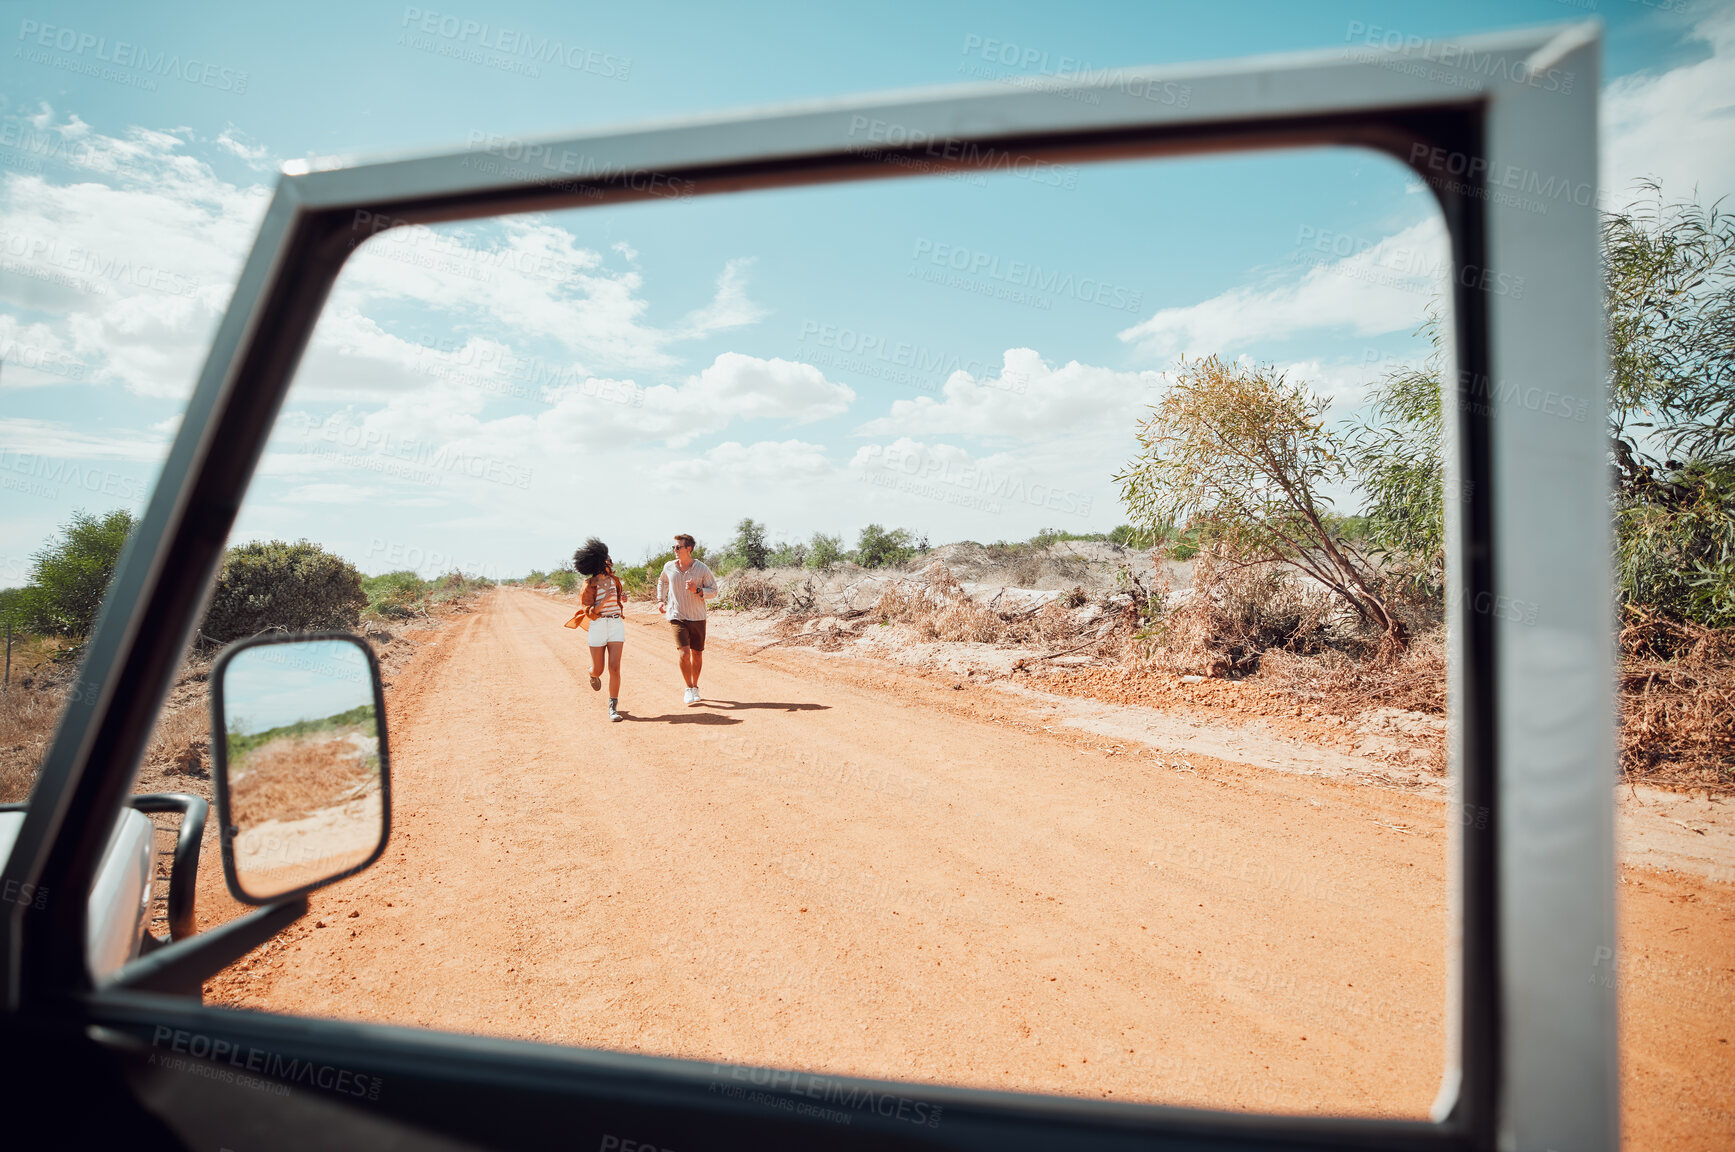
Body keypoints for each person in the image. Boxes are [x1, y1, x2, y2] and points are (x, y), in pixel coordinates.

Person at [655, 533, 717, 705]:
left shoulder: (702, 568)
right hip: (677, 615)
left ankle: (695, 686)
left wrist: (697, 590)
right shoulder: (669, 566)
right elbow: (662, 581)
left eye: (677, 547)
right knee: (684, 653)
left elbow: (714, 590)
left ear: (688, 549)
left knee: (697, 653)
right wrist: (660, 600)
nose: (674, 550)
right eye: (673, 547)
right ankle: (688, 688)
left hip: (697, 616)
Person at [574, 538, 626, 722]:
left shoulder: (615, 580)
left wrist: (621, 598)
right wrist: (604, 601)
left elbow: (617, 597)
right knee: (599, 669)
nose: (611, 562)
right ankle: (591, 674)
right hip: (597, 627)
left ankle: (613, 706)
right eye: (608, 560)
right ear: (600, 563)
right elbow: (589, 612)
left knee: (614, 667)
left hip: (616, 625)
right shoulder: (589, 585)